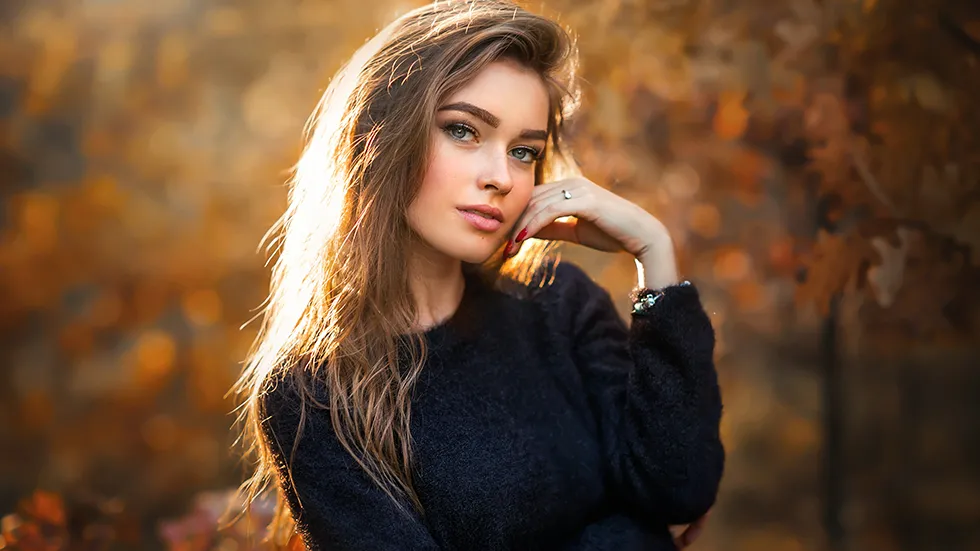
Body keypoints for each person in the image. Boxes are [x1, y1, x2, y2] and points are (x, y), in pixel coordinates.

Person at [228, 1, 724, 549]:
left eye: (523, 151)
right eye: (463, 131)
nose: (501, 178)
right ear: (379, 137)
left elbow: (680, 490)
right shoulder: (314, 393)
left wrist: (654, 254)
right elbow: (654, 528)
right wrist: (628, 536)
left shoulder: (560, 304)